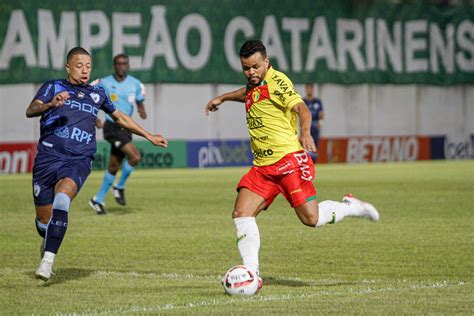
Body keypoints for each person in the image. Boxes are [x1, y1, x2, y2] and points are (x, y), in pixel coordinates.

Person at [205, 40, 379, 291]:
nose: (251, 72)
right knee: (241, 214)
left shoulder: (278, 81)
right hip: (263, 168)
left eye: (255, 66)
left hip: (288, 161)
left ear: (266, 62)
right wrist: (222, 97)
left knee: (311, 219)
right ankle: (252, 273)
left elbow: (301, 108)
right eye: (246, 68)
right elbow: (247, 93)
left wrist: (305, 132)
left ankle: (350, 207)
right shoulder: (255, 83)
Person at [26, 47, 168, 281]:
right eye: (79, 65)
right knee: (44, 220)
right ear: (68, 67)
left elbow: (121, 118)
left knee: (62, 199)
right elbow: (31, 110)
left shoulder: (97, 93)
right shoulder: (53, 87)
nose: (84, 70)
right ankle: (47, 238)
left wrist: (149, 135)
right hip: (47, 159)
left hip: (78, 160)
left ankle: (48, 261)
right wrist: (50, 105)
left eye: (88, 66)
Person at [89, 54, 148, 215]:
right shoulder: (104, 82)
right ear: (114, 65)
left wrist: (142, 111)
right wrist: (95, 119)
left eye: (124, 63)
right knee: (135, 156)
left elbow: (139, 103)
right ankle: (119, 186)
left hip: (126, 128)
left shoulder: (135, 84)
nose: (121, 66)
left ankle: (98, 199)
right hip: (112, 127)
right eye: (118, 64)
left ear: (127, 65)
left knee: (114, 166)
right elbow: (89, 98)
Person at [303, 83, 324, 161]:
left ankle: (314, 161)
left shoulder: (317, 101)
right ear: (306, 89)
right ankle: (306, 161)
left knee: (315, 144)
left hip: (314, 125)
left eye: (311, 88)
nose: (309, 90)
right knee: (305, 144)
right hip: (306, 125)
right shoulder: (303, 101)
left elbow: (321, 113)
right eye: (308, 88)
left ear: (313, 89)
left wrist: (320, 122)